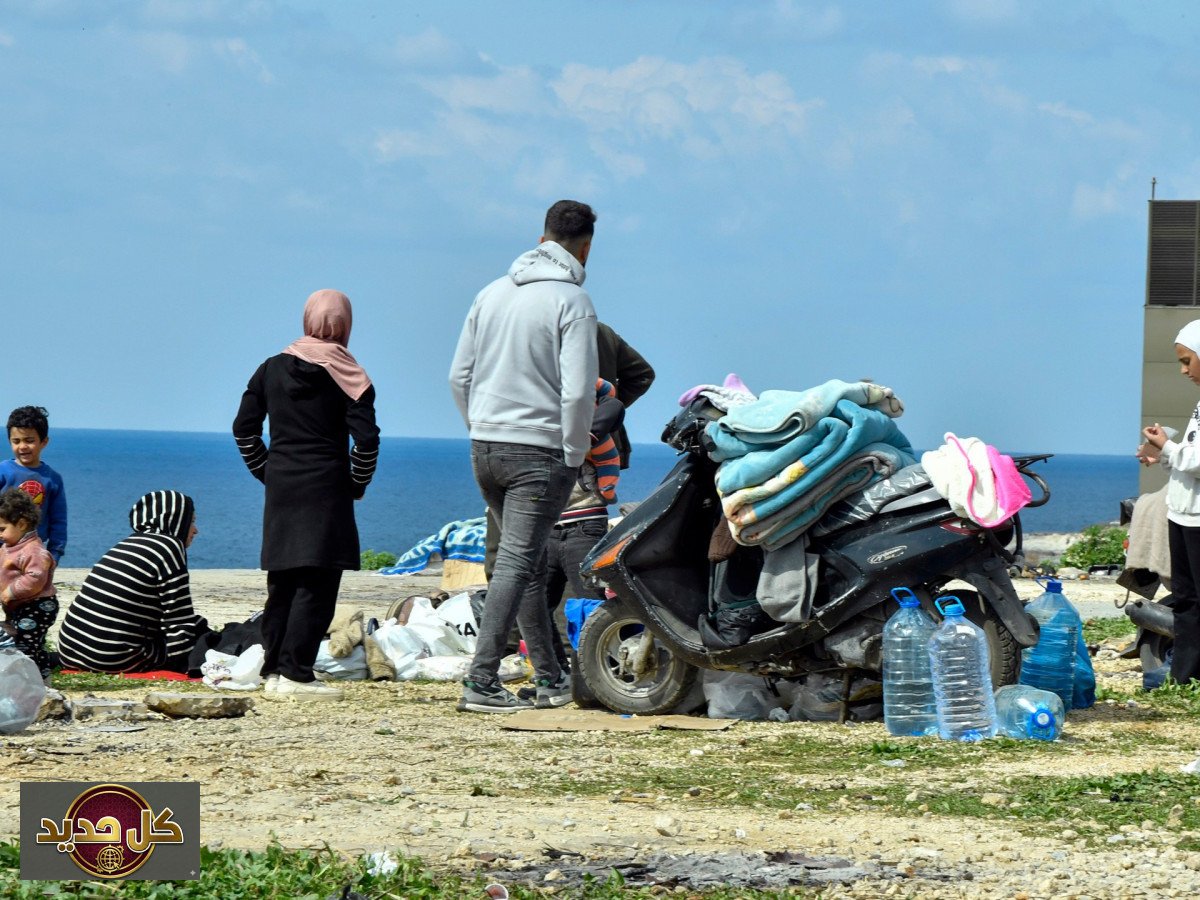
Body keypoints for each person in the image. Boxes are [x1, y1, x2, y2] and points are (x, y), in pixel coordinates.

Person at [449, 199, 599, 713]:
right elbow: (579, 393)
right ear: (585, 247)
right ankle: (481, 679)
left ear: (542, 238)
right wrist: (575, 452)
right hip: (539, 449)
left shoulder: (490, 293)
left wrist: (481, 425)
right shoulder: (571, 301)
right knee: (517, 563)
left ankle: (552, 677)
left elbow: (458, 377)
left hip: (485, 445)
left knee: (526, 564)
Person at [233, 288, 379, 703]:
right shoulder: (351, 376)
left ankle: (274, 670)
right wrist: (357, 484)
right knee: (317, 578)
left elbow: (243, 427)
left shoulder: (270, 368)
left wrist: (267, 471)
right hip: (327, 485)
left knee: (282, 578)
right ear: (344, 324)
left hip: (282, 486)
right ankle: (297, 673)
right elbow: (366, 441)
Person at [57, 490, 208, 674]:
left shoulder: (129, 543)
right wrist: (184, 660)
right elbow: (179, 619)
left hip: (69, 651)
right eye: (191, 521)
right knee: (199, 630)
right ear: (176, 520)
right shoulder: (169, 547)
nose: (195, 530)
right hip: (111, 658)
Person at [1139, 319, 1200, 685]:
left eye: (1187, 360)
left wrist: (1168, 447)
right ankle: (1186, 677)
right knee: (1187, 601)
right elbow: (1188, 457)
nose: (1182, 371)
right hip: (1184, 514)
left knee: (1196, 601)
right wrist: (1160, 455)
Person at [0, 488, 57, 679]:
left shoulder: (33, 550)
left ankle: (34, 677)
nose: (0, 534)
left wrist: (11, 591)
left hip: (38, 606)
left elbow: (35, 577)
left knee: (27, 643)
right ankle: (34, 673)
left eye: (2, 529)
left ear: (22, 524)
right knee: (22, 640)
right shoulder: (9, 547)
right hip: (20, 606)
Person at [0, 406, 67, 563]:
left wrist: (54, 554)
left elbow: (59, 521)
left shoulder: (52, 479)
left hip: (34, 553)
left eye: (29, 441)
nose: (22, 446)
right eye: (16, 441)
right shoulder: (2, 472)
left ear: (44, 442)